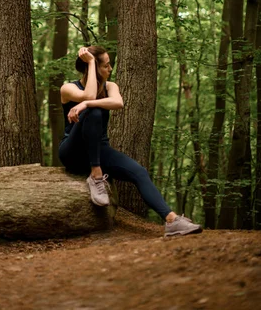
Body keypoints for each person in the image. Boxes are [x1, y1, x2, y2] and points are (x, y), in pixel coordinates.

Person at [59, 45, 202, 238]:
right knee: (93, 111)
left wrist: (85, 103)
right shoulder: (68, 88)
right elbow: (89, 95)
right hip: (73, 152)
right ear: (90, 68)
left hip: (100, 149)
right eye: (105, 66)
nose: (110, 69)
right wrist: (91, 64)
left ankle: (171, 220)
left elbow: (118, 103)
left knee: (139, 172)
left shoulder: (110, 86)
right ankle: (96, 175)